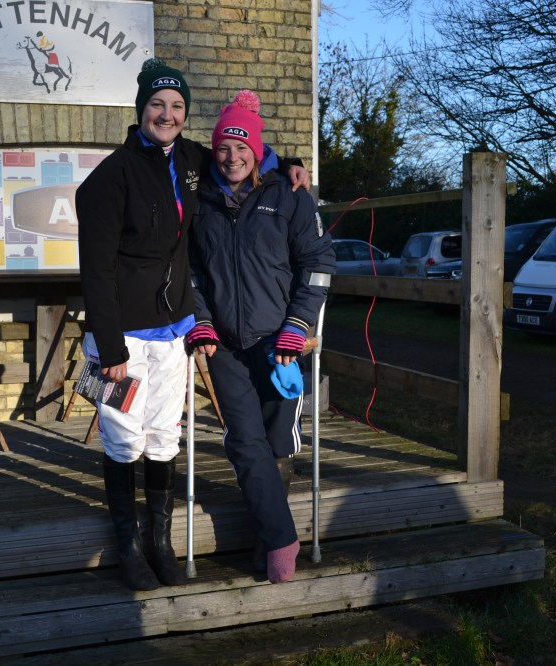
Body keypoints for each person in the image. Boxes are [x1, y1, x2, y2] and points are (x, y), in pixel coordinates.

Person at [75, 60, 310, 592]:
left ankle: (160, 542)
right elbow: (95, 270)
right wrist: (108, 344)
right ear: (140, 110)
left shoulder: (189, 160)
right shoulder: (109, 178)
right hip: (122, 338)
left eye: (177, 107)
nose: (168, 114)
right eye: (158, 104)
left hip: (175, 332)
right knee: (122, 438)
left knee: (163, 437)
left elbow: (245, 157)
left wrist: (291, 164)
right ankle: (128, 546)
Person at [186, 90, 336, 584]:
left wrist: (298, 326)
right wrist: (201, 319)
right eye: (223, 148)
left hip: (278, 341)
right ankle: (279, 540)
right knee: (244, 441)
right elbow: (189, 271)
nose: (231, 157)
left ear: (256, 149)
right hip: (224, 342)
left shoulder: (288, 195)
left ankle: (264, 533)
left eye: (241, 147)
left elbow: (318, 262)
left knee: (276, 438)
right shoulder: (199, 199)